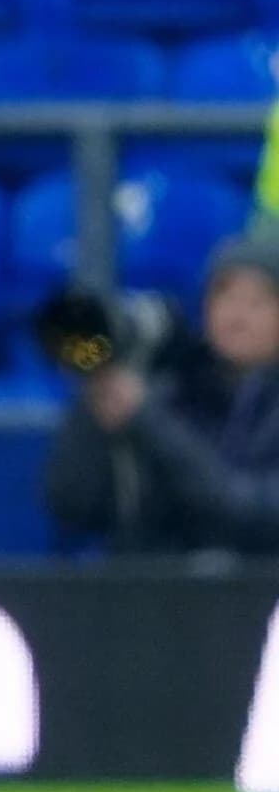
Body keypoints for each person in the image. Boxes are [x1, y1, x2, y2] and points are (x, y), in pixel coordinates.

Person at [44, 235, 279, 557]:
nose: (236, 317)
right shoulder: (174, 389)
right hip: (159, 593)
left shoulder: (154, 413)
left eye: (256, 302)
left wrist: (146, 420)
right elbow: (74, 504)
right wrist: (96, 387)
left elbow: (245, 512)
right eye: (224, 297)